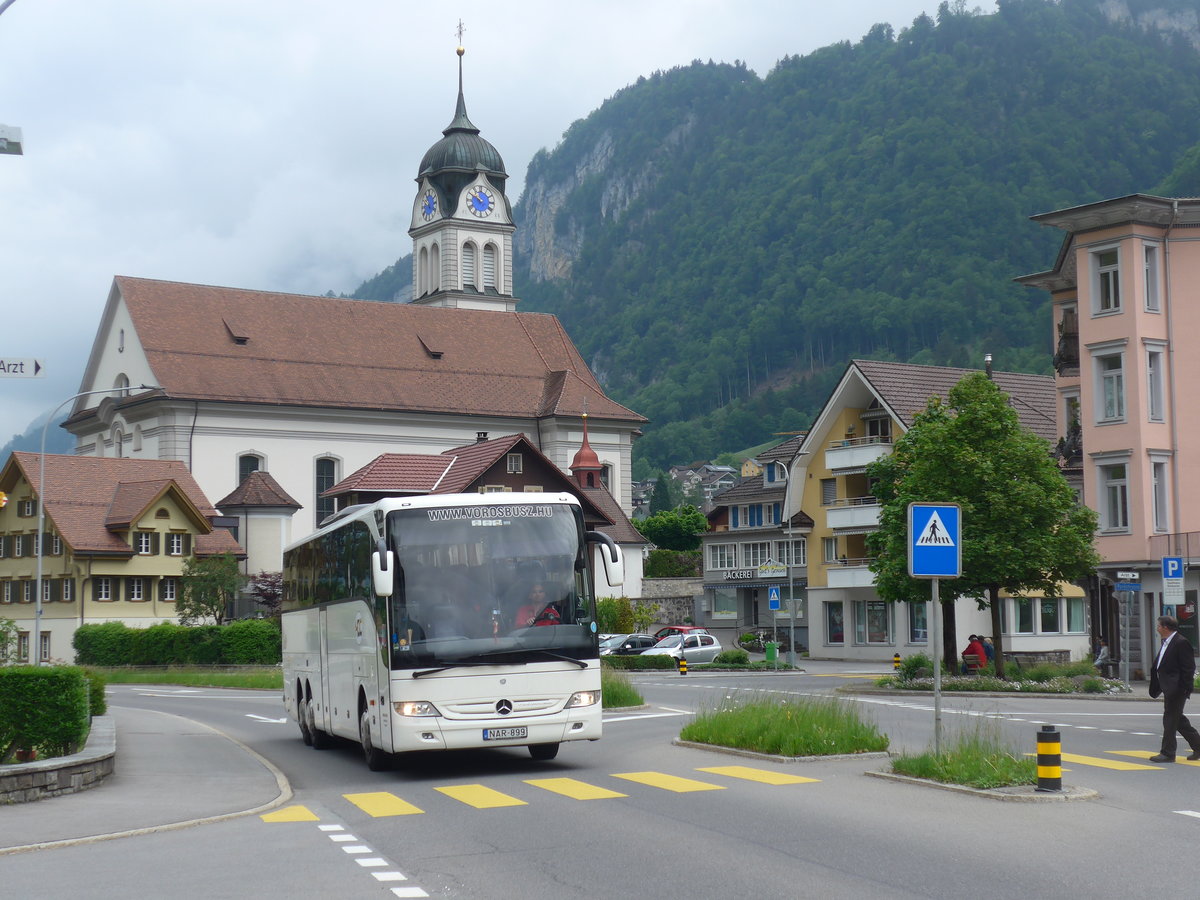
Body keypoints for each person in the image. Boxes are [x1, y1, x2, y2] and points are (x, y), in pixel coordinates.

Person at [1148, 615, 1200, 763]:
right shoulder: (1167, 642)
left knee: (1170, 719)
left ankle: (1168, 753)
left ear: (1165, 627)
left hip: (1177, 688)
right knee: (1178, 720)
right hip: (1169, 687)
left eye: (1158, 626)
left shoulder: (1181, 642)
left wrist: (1184, 688)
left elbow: (1188, 668)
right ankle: (1198, 746)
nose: (1157, 628)